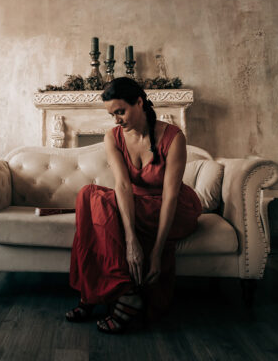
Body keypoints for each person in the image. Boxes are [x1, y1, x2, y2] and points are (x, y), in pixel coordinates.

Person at [66, 77, 202, 334]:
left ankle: (98, 296)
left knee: (99, 204)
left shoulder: (173, 137)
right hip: (137, 203)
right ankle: (113, 291)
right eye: (112, 114)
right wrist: (131, 242)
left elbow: (171, 196)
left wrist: (155, 253)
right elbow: (123, 187)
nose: (116, 119)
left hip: (172, 206)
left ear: (139, 102)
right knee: (89, 195)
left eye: (121, 111)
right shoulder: (113, 137)